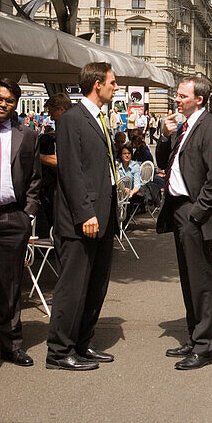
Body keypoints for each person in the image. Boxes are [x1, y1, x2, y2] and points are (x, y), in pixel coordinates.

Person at [46, 62, 120, 372]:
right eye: (112, 83)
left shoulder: (101, 118)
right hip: (82, 220)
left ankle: (83, 342)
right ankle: (59, 351)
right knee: (73, 286)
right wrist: (85, 213)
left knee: (95, 285)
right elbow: (71, 172)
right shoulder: (73, 120)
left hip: (105, 215)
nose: (116, 87)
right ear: (97, 84)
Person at [155, 75, 212, 370]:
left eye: (182, 95)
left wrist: (197, 214)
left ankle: (205, 346)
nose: (176, 99)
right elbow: (165, 162)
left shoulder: (209, 128)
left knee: (201, 281)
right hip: (179, 209)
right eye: (177, 94)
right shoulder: (183, 126)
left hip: (195, 214)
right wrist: (163, 135)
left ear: (199, 99)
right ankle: (193, 334)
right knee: (188, 278)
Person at [0, 77, 42, 368]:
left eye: (9, 101)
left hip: (12, 217)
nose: (3, 104)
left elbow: (35, 179)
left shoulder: (27, 135)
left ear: (16, 105)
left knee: (9, 286)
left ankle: (11, 345)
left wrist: (27, 214)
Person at [37, 93, 72, 240]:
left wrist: (35, 156)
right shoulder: (64, 126)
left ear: (62, 109)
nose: (51, 118)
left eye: (53, 113)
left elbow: (62, 161)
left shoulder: (70, 127)